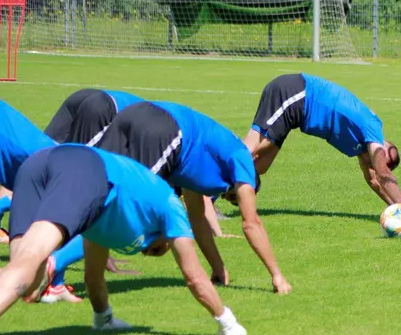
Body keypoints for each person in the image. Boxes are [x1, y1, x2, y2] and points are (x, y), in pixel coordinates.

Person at [0, 144, 247, 335]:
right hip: (84, 169)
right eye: (159, 247)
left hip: (40, 162)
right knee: (28, 262)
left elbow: (93, 278)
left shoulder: (103, 222)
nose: (152, 251)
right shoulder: (172, 208)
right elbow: (194, 277)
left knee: (28, 280)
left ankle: (105, 321)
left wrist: (103, 318)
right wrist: (228, 322)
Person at [97, 101, 290, 294]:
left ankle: (83, 277)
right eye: (234, 197)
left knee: (97, 191)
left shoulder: (201, 169)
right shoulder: (243, 162)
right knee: (121, 202)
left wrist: (218, 268)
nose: (226, 198)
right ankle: (88, 273)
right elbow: (251, 223)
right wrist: (277, 276)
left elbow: (197, 218)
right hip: (164, 128)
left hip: (134, 112)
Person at [243, 73, 401, 206]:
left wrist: (397, 210)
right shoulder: (373, 127)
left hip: (296, 111)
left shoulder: (364, 148)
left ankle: (233, 188)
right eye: (378, 160)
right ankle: (223, 192)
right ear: (383, 147)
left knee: (260, 166)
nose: (372, 164)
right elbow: (382, 173)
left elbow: (374, 180)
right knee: (250, 148)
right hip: (295, 93)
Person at [0, 99, 102, 303]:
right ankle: (53, 277)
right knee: (92, 221)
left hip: (34, 155)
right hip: (34, 155)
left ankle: (54, 282)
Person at [44, 88, 143, 145]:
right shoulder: (149, 118)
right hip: (103, 105)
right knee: (81, 159)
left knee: (45, 147)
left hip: (83, 95)